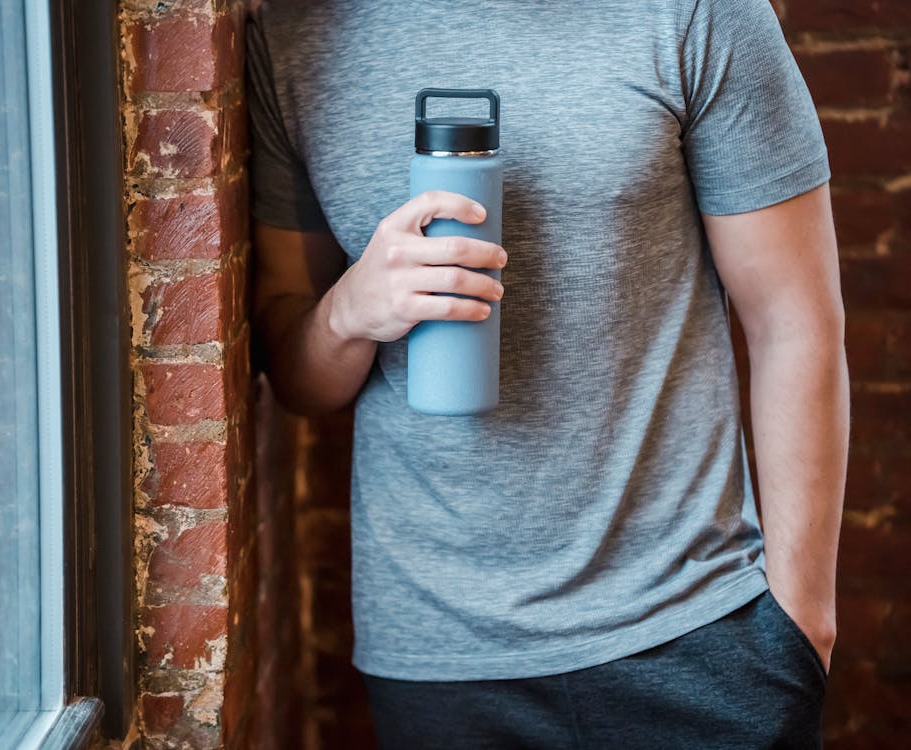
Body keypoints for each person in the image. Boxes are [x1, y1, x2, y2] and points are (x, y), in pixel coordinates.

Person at [245, 0, 848, 747]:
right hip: (439, 652)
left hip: (697, 628)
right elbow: (299, 382)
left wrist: (801, 625)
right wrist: (348, 312)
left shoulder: (696, 14)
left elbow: (792, 319)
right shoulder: (295, 37)